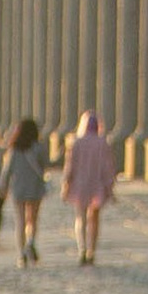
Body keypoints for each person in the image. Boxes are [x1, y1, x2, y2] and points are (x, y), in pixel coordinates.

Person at [63, 109, 118, 263]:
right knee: (94, 219)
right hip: (97, 185)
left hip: (80, 185)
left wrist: (66, 184)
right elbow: (108, 167)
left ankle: (81, 249)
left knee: (80, 217)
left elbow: (70, 166)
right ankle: (91, 251)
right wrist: (110, 187)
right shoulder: (103, 143)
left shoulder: (77, 143)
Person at [4, 119, 48, 265]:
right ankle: (31, 242)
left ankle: (21, 252)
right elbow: (44, 166)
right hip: (35, 187)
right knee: (33, 219)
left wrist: (3, 186)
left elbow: (7, 170)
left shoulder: (14, 149)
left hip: (19, 188)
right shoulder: (38, 148)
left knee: (20, 221)